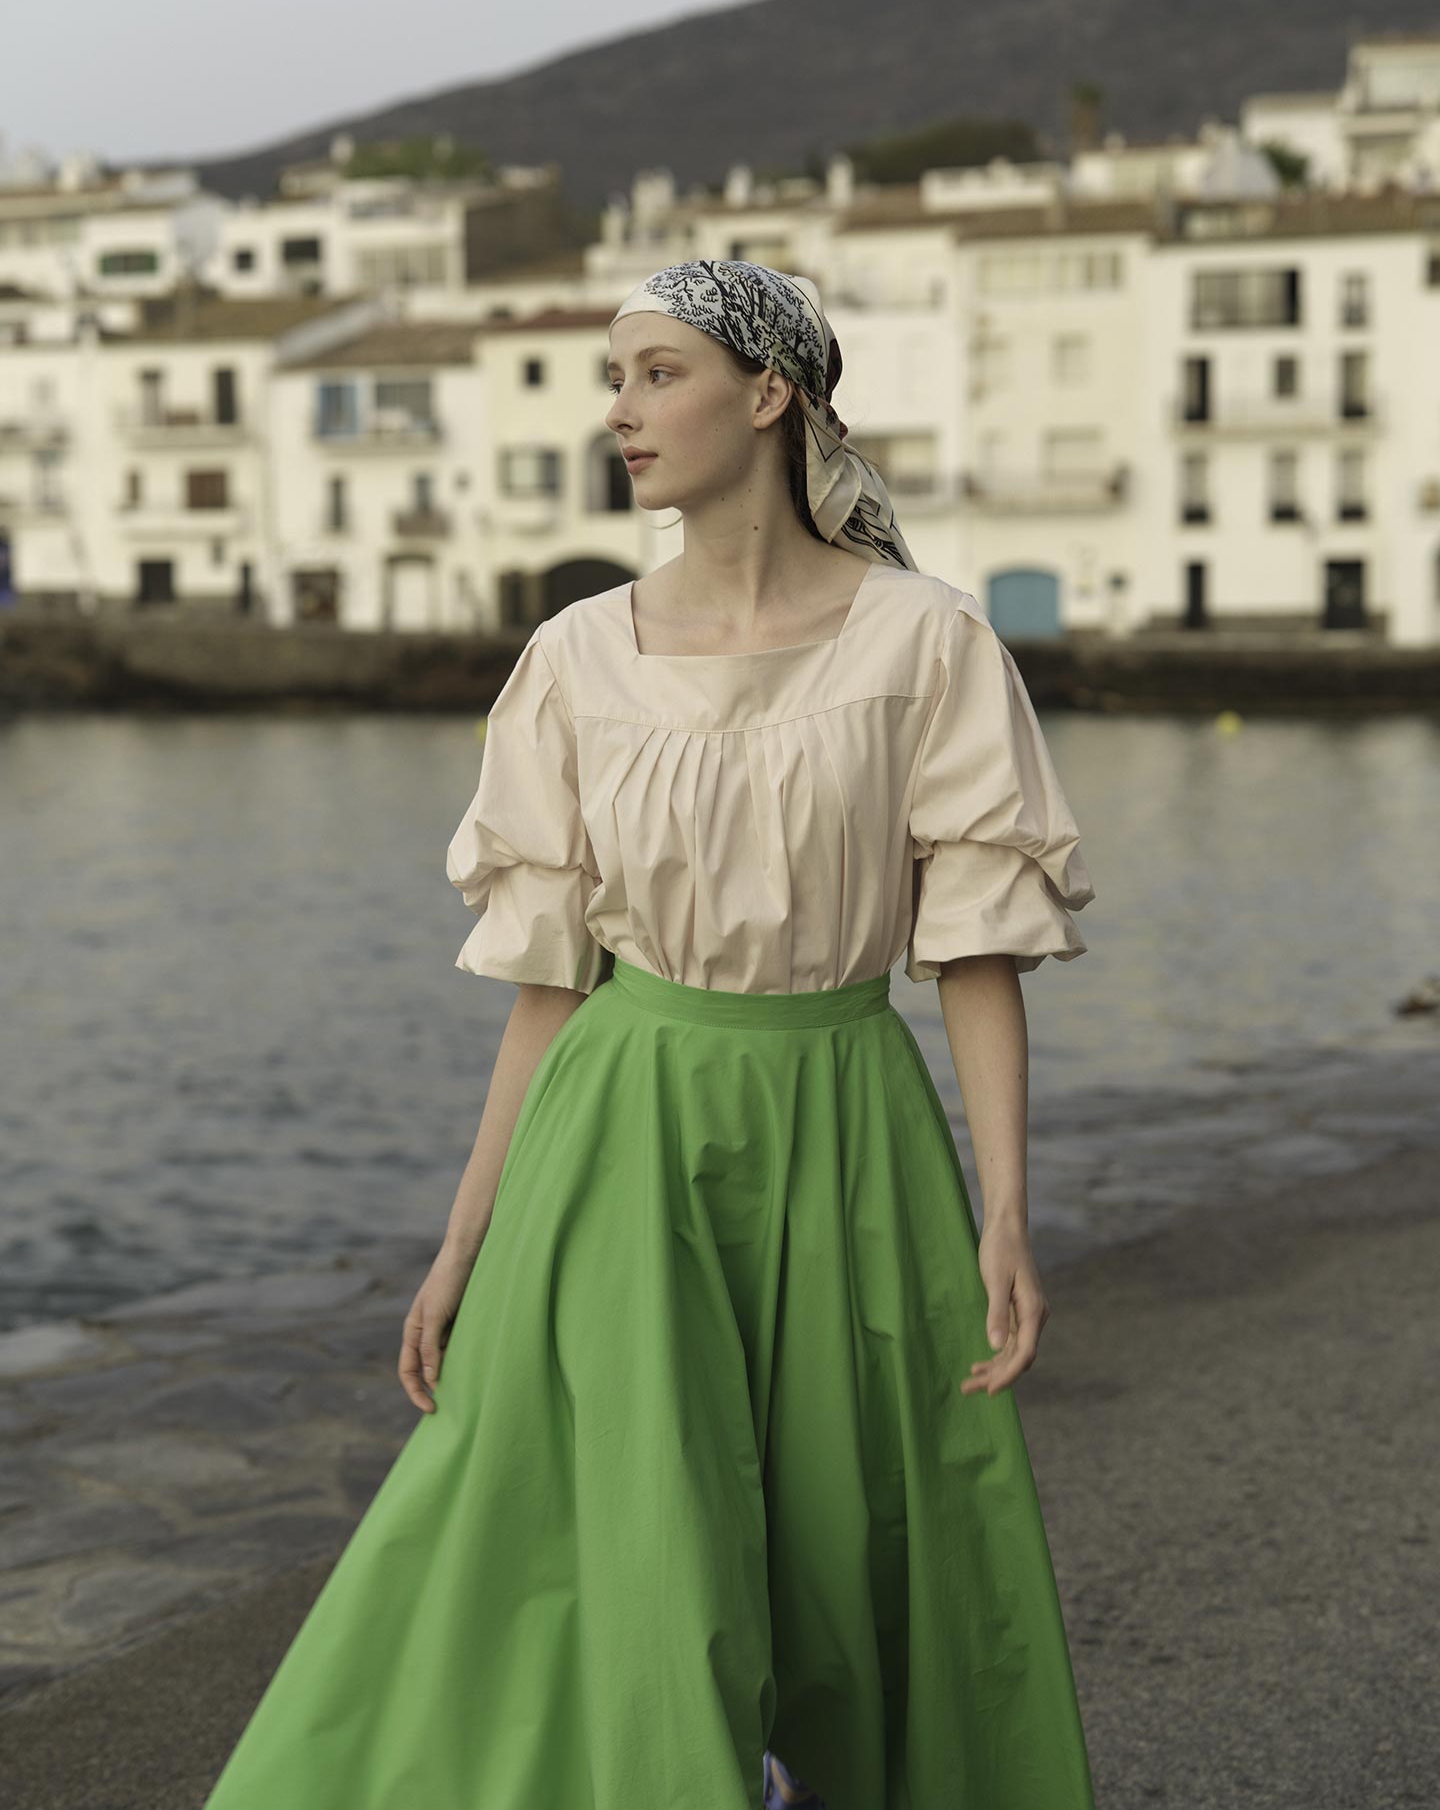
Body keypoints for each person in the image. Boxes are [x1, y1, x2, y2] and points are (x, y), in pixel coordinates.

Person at [200, 258, 1098, 1809]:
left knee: (852, 1539)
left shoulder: (928, 644)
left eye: (655, 374)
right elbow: (551, 991)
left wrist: (1008, 1212)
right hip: (618, 1139)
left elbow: (975, 953)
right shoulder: (573, 659)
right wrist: (461, 1241)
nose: (619, 412)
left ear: (772, 396)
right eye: (612, 380)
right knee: (616, 1546)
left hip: (848, 1122)